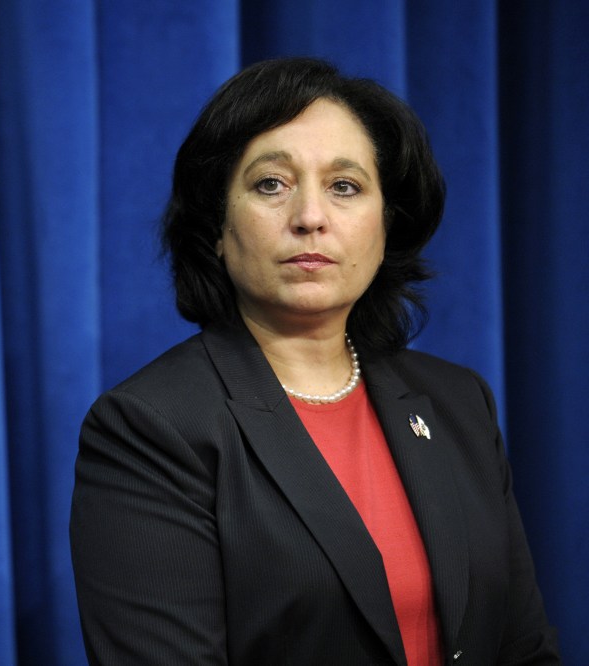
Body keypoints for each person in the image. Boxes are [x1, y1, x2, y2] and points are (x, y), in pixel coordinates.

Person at [69, 58, 560, 665]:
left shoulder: (458, 401)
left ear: (386, 226)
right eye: (270, 184)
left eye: (345, 187)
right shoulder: (150, 427)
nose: (310, 217)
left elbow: (524, 648)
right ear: (217, 228)